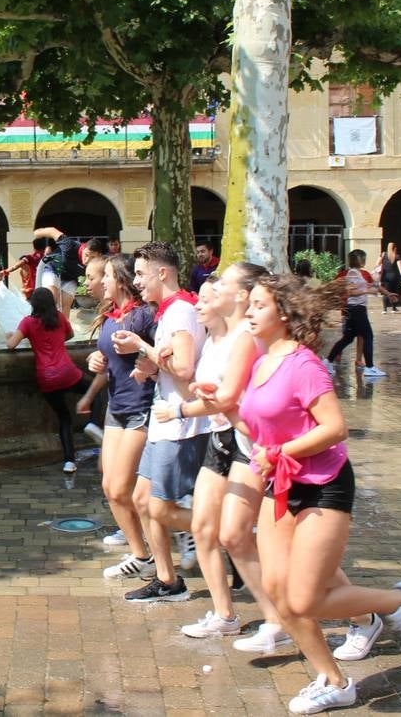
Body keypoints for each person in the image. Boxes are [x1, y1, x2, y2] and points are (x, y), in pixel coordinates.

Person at [231, 274, 401, 714]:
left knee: (305, 600)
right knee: (278, 594)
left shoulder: (303, 364)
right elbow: (262, 429)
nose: (248, 311)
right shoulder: (261, 362)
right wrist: (226, 409)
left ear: (284, 313)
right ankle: (335, 682)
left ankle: (400, 600)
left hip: (324, 484)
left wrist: (280, 452)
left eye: (259, 305)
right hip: (282, 484)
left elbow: (335, 428)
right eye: (249, 304)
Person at [163, 268, 262, 640]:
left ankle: (287, 617)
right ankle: (225, 614)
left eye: (217, 289)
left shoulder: (247, 336)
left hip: (251, 444)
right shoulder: (214, 339)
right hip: (222, 438)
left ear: (241, 295)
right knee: (205, 528)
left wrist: (180, 410)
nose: (204, 299)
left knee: (247, 537)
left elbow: (227, 398)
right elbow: (207, 391)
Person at [114, 241, 205, 604]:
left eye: (140, 274)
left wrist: (142, 346)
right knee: (141, 498)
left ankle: (232, 537)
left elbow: (184, 369)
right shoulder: (169, 311)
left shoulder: (181, 311)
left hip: (180, 423)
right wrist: (151, 369)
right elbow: (173, 370)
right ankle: (167, 580)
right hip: (164, 420)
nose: (136, 281)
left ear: (162, 273)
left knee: (159, 506)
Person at [84, 255, 157, 583]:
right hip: (116, 407)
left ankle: (161, 551)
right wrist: (95, 359)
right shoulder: (110, 316)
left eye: (108, 276)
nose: (103, 281)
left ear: (122, 280)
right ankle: (141, 555)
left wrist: (143, 355)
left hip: (141, 407)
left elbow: (165, 354)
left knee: (124, 487)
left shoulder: (144, 316)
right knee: (111, 488)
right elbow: (106, 356)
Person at [7, 288, 92, 473]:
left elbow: (11, 345)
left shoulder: (27, 322)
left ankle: (69, 462)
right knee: (94, 387)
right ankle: (93, 423)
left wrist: (10, 337)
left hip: (47, 378)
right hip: (68, 373)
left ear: (33, 304)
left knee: (64, 417)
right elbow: (70, 335)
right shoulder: (59, 318)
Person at [325, 251, 386, 378]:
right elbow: (351, 292)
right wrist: (368, 291)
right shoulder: (353, 273)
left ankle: (327, 361)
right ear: (360, 260)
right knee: (368, 336)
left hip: (354, 309)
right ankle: (370, 367)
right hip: (357, 309)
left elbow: (368, 285)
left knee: (348, 338)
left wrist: (386, 292)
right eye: (363, 258)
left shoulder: (356, 273)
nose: (365, 260)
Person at [32, 226, 100, 315]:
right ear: (84, 249)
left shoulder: (97, 262)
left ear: (98, 256)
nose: (87, 260)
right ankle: (45, 320)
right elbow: (52, 231)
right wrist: (37, 233)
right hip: (53, 269)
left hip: (70, 278)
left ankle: (63, 323)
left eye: (92, 257)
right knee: (52, 300)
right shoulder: (69, 245)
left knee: (65, 305)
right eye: (86, 255)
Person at [377, 242, 401, 313]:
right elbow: (400, 268)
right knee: (394, 292)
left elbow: (377, 264)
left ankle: (384, 309)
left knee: (385, 292)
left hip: (385, 276)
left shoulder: (383, 254)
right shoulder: (397, 256)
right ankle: (393, 308)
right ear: (395, 248)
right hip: (394, 276)